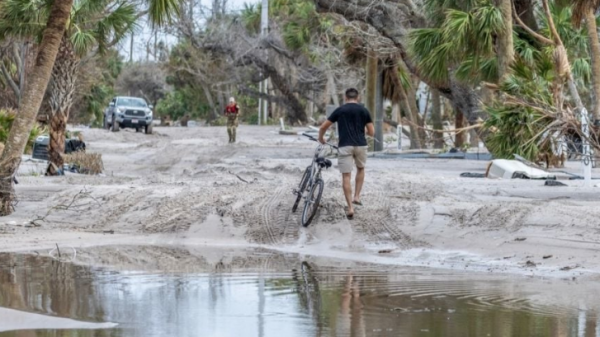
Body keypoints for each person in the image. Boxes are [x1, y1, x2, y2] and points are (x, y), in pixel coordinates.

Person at [318, 88, 374, 219]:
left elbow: (323, 127)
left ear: (345, 97)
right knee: (360, 169)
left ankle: (350, 208)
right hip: (361, 145)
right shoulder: (364, 110)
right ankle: (357, 196)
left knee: (346, 176)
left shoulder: (340, 110)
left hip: (345, 146)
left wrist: (321, 139)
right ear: (358, 97)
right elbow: (371, 132)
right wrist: (361, 133)